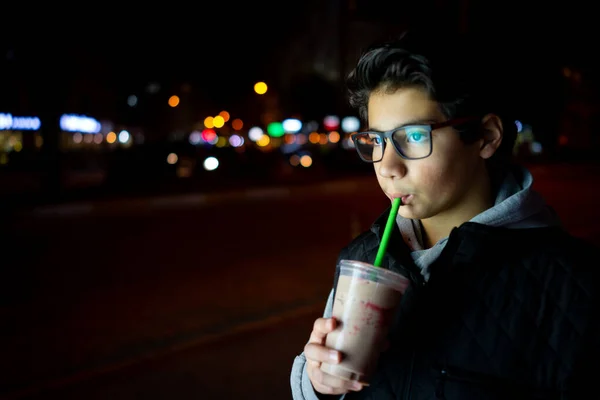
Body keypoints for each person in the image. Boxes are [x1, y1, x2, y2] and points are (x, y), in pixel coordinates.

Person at [290, 30, 600, 399]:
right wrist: (319, 383)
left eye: (415, 137)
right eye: (376, 141)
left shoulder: (574, 283)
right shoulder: (364, 258)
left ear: (486, 136)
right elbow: (322, 378)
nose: (387, 166)